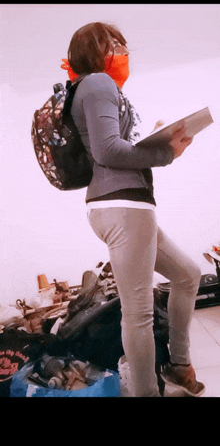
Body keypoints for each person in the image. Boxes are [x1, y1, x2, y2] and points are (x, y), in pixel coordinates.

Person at [62, 22, 205, 397]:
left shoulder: (95, 89)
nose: (123, 51)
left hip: (125, 205)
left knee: (188, 274)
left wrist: (155, 136)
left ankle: (177, 364)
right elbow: (108, 151)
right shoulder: (98, 84)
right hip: (123, 206)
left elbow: (111, 145)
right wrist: (166, 153)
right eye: (115, 45)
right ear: (94, 51)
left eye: (124, 45)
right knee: (137, 313)